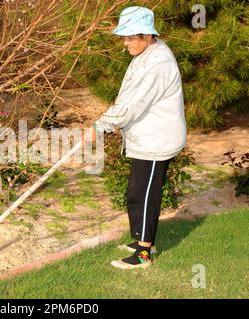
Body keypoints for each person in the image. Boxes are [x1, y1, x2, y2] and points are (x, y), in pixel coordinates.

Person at [84, 6, 187, 270]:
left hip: (156, 141)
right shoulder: (146, 54)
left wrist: (101, 125)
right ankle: (144, 242)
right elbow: (128, 96)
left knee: (143, 195)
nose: (125, 43)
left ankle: (143, 256)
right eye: (124, 37)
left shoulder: (158, 63)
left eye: (131, 37)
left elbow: (133, 106)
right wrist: (103, 122)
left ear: (147, 35)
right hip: (146, 137)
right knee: (137, 192)